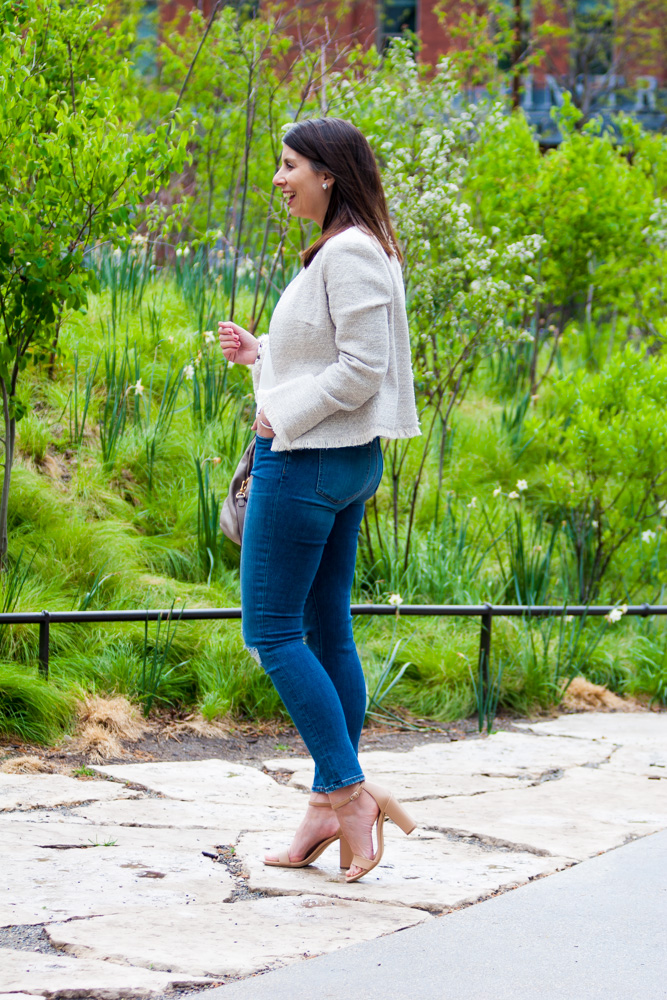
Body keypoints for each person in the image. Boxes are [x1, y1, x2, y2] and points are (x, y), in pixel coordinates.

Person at [218, 117, 420, 883]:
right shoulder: (353, 249)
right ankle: (321, 810)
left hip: (306, 464)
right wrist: (262, 357)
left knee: (271, 634)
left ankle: (347, 793)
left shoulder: (351, 252)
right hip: (339, 464)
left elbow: (361, 369)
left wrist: (283, 414)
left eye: (289, 164)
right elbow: (328, 352)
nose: (279, 178)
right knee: (325, 630)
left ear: (329, 173)